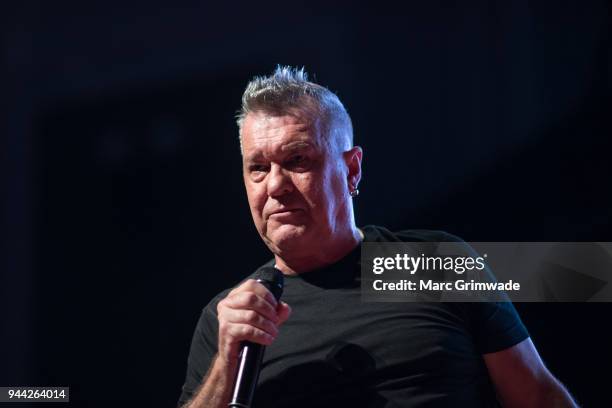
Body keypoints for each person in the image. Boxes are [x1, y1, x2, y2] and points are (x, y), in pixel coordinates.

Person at [178, 66, 578, 407]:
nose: (275, 185)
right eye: (258, 168)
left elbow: (538, 398)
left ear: (352, 170)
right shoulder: (228, 320)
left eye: (297, 160)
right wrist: (227, 365)